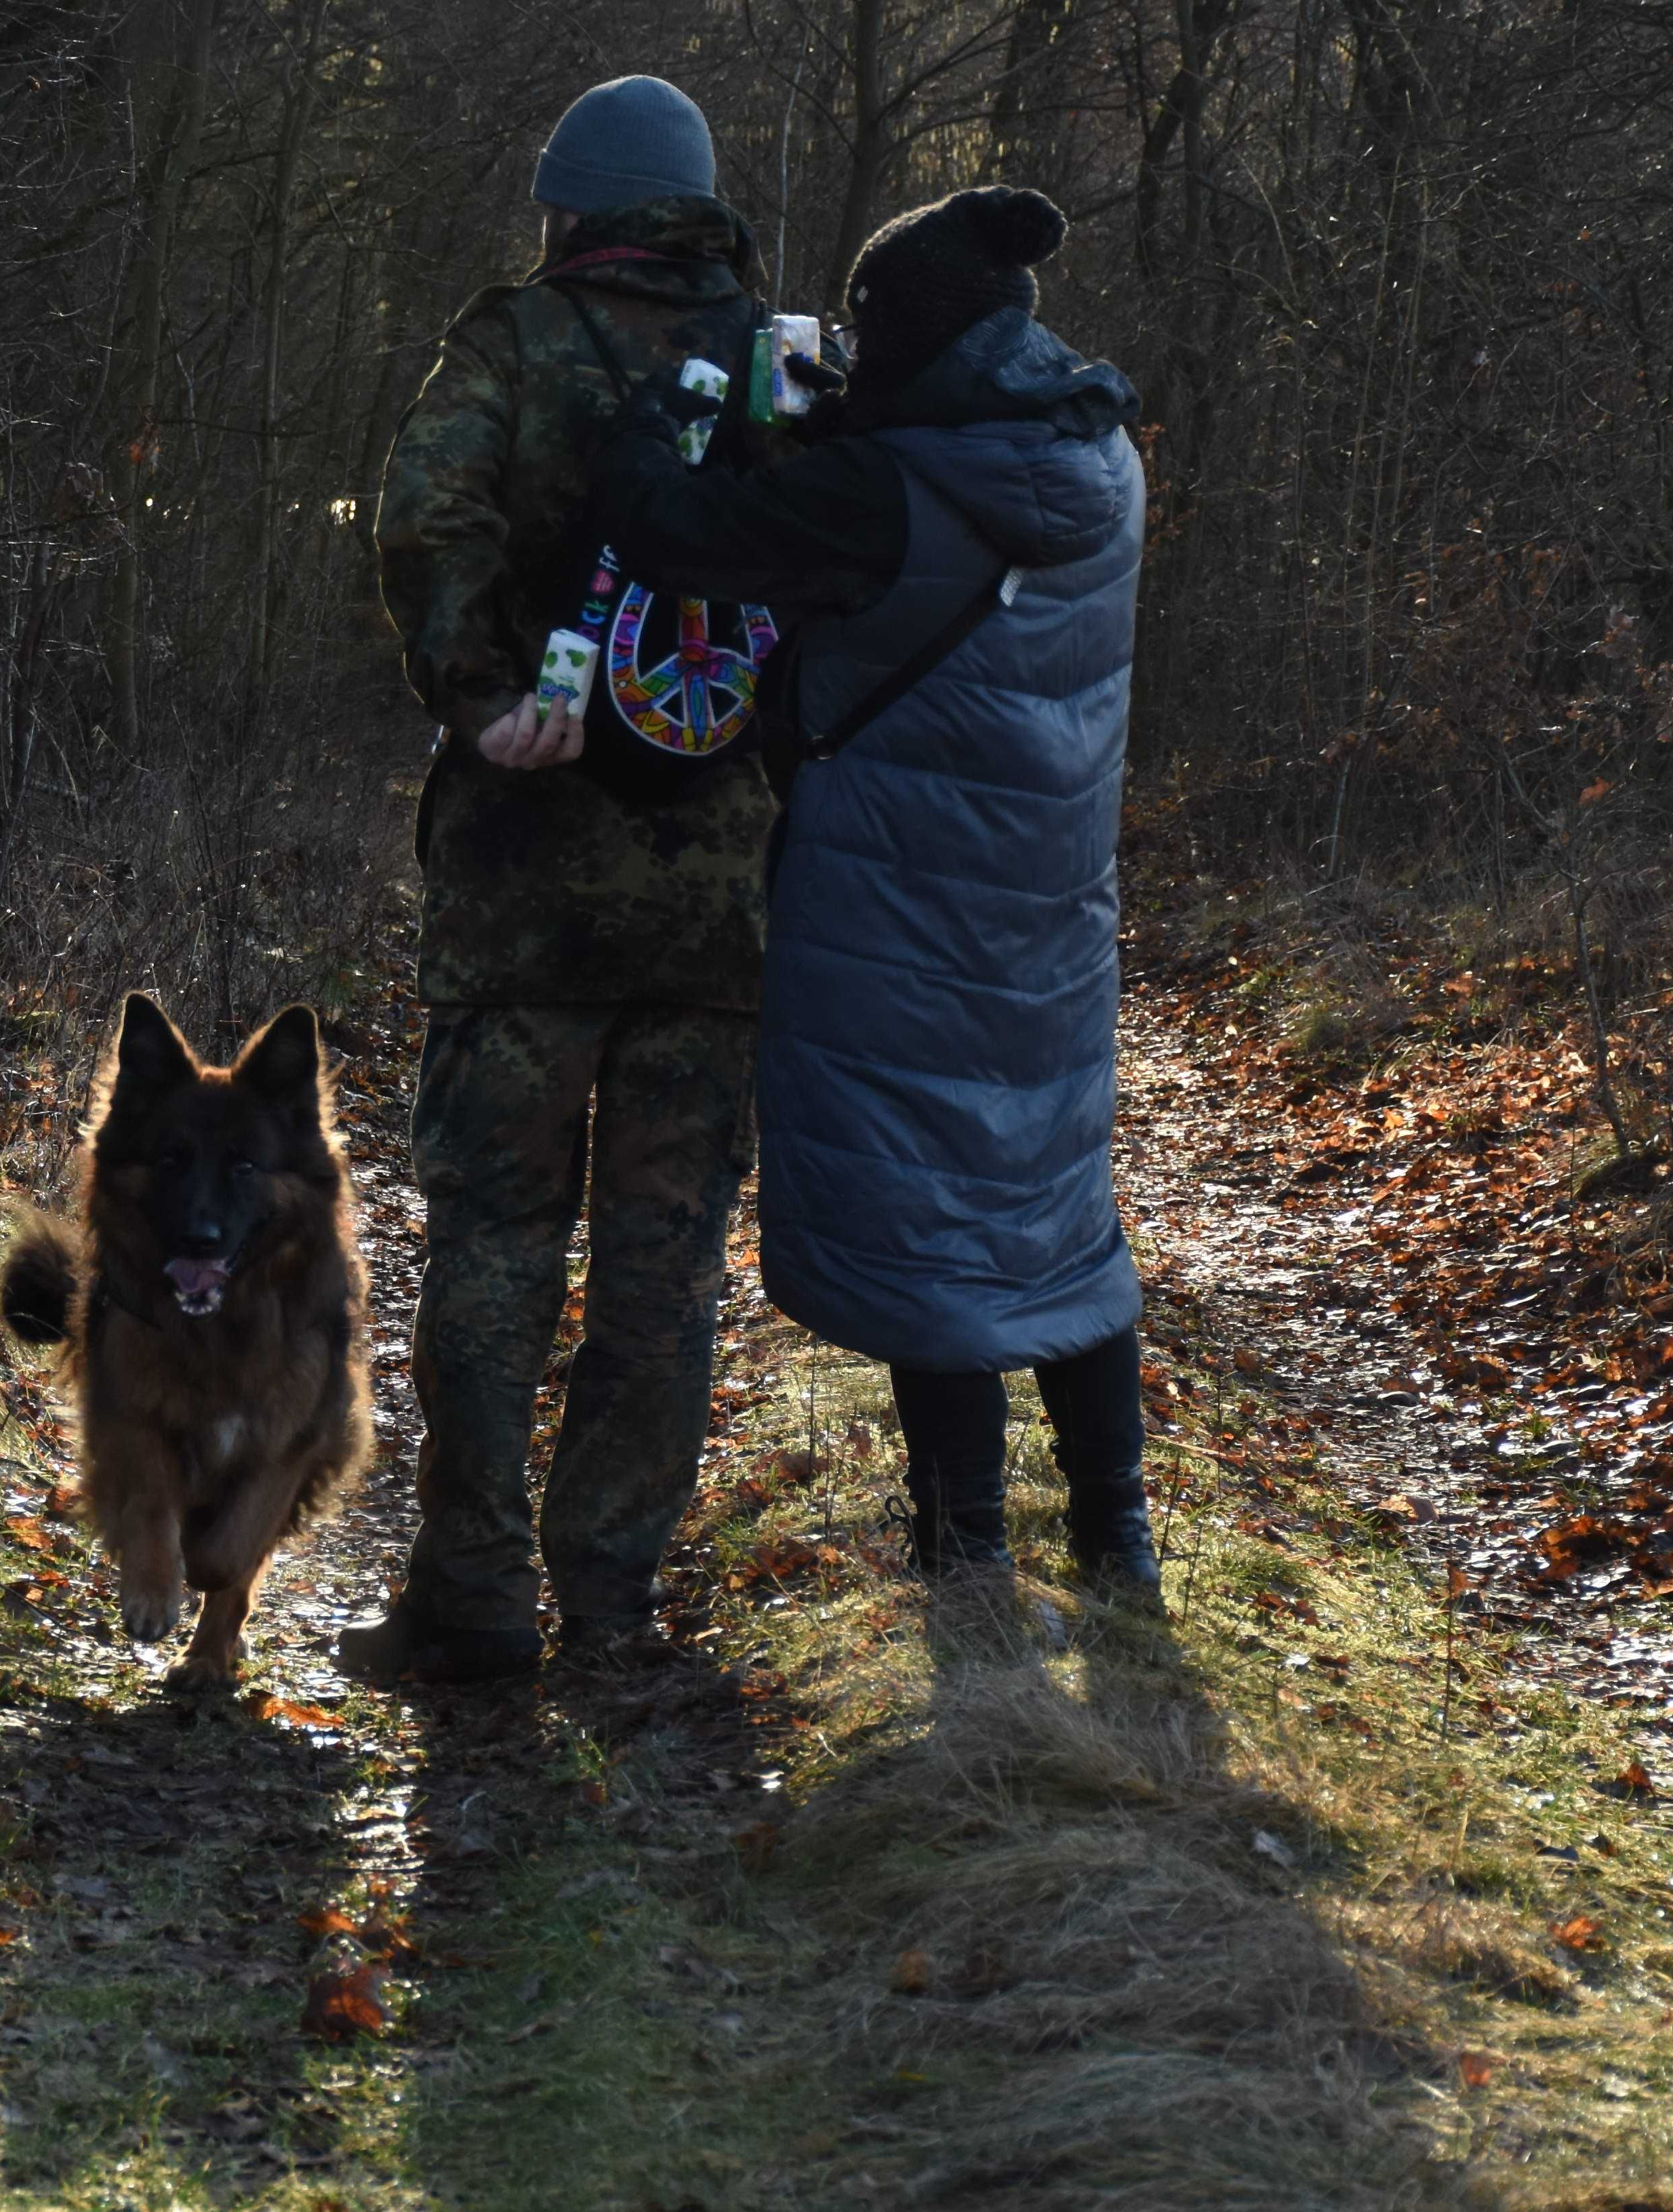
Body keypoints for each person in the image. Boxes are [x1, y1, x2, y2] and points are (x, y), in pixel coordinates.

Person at [581, 184, 1161, 1601]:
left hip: (900, 909)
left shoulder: (888, 490)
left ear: (904, 337)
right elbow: (924, 511)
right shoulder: (1092, 456)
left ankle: (966, 1552)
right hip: (1050, 911)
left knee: (926, 1221)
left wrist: (658, 417)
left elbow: (678, 534)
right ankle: (1116, 1537)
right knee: (1058, 1210)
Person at [343, 75, 782, 1686]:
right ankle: (609, 1604)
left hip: (527, 881)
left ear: (572, 212)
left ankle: (473, 1602)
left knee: (496, 1250)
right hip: (717, 890)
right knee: (664, 1260)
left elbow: (421, 517)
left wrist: (478, 693)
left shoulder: (514, 348)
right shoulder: (778, 362)